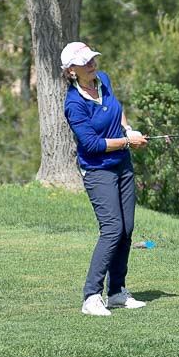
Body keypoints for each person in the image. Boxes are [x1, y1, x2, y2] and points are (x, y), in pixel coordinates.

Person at [62, 41, 150, 316]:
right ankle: (91, 296)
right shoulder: (74, 104)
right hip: (98, 170)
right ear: (72, 71)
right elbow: (92, 145)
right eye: (85, 62)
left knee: (126, 230)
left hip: (122, 165)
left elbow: (116, 109)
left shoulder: (103, 80)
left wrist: (129, 129)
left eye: (92, 59)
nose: (92, 64)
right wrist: (126, 142)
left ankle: (116, 292)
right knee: (112, 228)